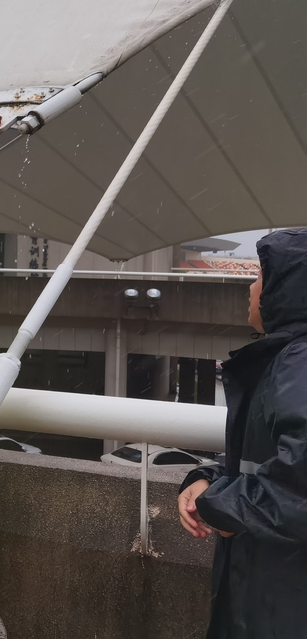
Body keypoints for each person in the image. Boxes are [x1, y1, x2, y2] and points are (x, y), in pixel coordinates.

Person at [177, 228, 307, 638]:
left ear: (288, 290)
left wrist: (228, 506)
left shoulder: (298, 363)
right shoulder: (289, 360)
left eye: (261, 276)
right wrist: (211, 478)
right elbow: (277, 460)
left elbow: (299, 487)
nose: (251, 288)